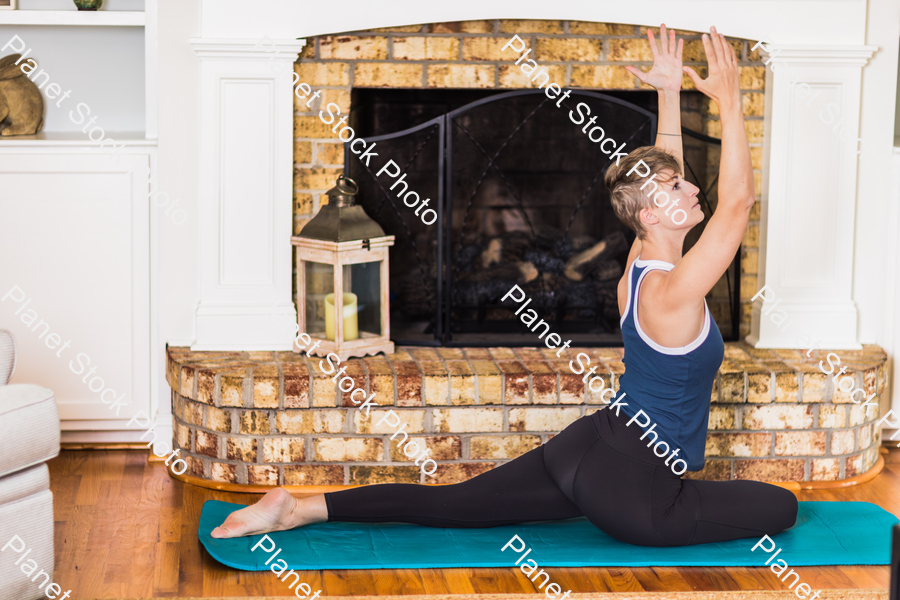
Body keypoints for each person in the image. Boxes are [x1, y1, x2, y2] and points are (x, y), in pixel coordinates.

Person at [211, 24, 798, 548]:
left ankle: (296, 508)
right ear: (651, 215)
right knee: (784, 507)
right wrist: (729, 100)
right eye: (677, 192)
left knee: (455, 504)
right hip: (638, 499)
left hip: (587, 448)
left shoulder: (640, 264)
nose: (693, 190)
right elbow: (739, 201)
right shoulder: (675, 291)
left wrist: (671, 92)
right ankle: (296, 509)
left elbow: (655, 178)